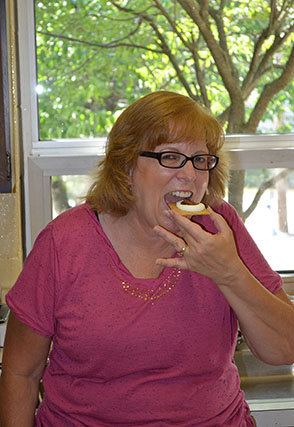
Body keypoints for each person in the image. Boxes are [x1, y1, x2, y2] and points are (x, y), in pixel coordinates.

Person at [0, 91, 293, 427]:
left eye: (201, 159)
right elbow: (20, 373)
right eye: (170, 156)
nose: (190, 174)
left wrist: (230, 273)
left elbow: (283, 350)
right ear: (126, 168)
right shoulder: (64, 243)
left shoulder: (218, 228)